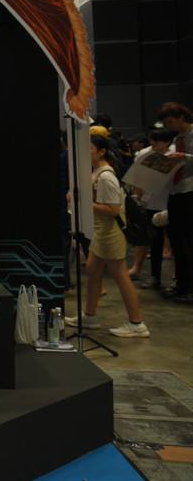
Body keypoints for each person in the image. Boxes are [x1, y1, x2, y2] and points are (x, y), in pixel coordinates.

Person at [65, 134, 150, 337]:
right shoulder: (97, 172)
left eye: (90, 149)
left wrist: (81, 201)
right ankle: (89, 316)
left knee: (120, 275)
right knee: (92, 270)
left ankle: (137, 323)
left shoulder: (105, 176)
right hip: (102, 231)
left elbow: (112, 209)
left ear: (102, 151)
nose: (86, 154)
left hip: (111, 232)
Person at [157, 102, 193, 303]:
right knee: (177, 240)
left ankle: (191, 287)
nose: (168, 126)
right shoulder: (178, 137)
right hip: (176, 192)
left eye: (170, 122)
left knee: (189, 241)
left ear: (181, 117)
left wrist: (184, 157)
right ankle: (181, 282)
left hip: (189, 192)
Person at [129, 128, 173, 286]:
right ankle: (155, 276)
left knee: (177, 240)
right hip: (151, 203)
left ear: (167, 142)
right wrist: (136, 197)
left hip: (172, 202)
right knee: (154, 241)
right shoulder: (145, 154)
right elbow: (139, 179)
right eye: (152, 140)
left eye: (157, 141)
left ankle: (181, 277)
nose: (153, 143)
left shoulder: (175, 155)